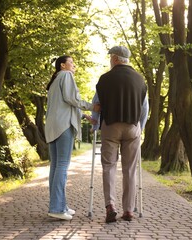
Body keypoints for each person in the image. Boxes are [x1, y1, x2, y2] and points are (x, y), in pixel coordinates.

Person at [96, 46, 148, 223]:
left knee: (109, 166)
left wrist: (96, 124)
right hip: (133, 127)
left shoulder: (104, 79)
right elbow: (144, 108)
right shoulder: (140, 80)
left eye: (111, 57)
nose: (110, 60)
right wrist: (140, 126)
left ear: (116, 59)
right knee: (130, 169)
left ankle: (110, 206)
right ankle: (128, 210)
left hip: (110, 126)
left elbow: (97, 104)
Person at [45, 55, 99, 220]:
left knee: (55, 167)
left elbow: (64, 104)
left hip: (53, 126)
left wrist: (85, 116)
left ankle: (61, 206)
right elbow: (71, 99)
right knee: (62, 166)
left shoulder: (55, 80)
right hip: (64, 126)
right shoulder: (66, 75)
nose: (73, 65)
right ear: (62, 65)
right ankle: (56, 208)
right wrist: (92, 107)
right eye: (71, 62)